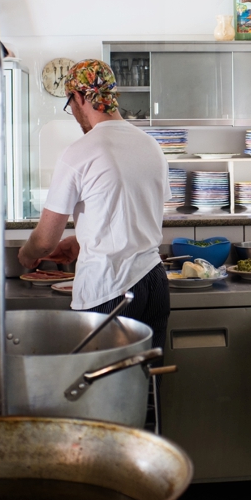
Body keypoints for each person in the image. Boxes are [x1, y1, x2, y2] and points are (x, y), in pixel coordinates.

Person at [18, 59, 171, 349]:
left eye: (70, 105)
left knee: (101, 386)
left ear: (77, 98)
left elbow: (45, 241)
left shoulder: (80, 152)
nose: (74, 115)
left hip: (109, 289)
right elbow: (136, 215)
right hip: (154, 283)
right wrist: (81, 240)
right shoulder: (150, 145)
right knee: (145, 382)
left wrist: (27, 256)